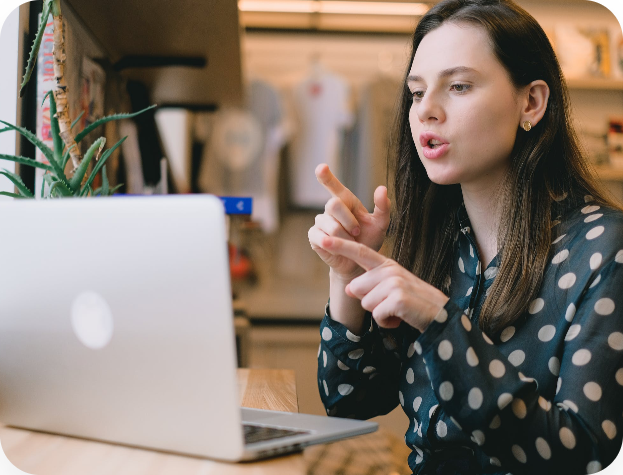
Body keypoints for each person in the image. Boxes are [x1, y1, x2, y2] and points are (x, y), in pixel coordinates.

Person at [307, 1, 623, 474]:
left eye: (458, 86)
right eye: (416, 93)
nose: (426, 111)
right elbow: (349, 402)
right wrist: (347, 274)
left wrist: (440, 321)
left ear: (531, 102)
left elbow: (585, 455)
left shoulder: (605, 249)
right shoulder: (439, 242)